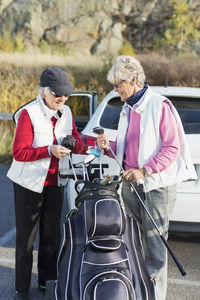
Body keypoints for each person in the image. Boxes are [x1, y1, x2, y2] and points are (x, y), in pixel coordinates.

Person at [96, 55, 196, 300]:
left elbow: (172, 148)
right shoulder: (127, 108)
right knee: (133, 245)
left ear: (133, 80)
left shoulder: (159, 105)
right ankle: (139, 293)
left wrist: (145, 170)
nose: (115, 89)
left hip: (155, 187)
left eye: (118, 83)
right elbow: (128, 148)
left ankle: (155, 296)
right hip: (130, 186)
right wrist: (108, 145)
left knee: (154, 249)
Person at [7, 67, 84, 300]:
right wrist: (48, 150)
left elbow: (77, 142)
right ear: (44, 91)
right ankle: (22, 287)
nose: (62, 98)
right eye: (57, 93)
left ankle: (46, 282)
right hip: (28, 184)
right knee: (26, 239)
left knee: (51, 237)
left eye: (66, 94)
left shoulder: (67, 112)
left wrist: (79, 144)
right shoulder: (28, 114)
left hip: (55, 182)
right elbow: (19, 152)